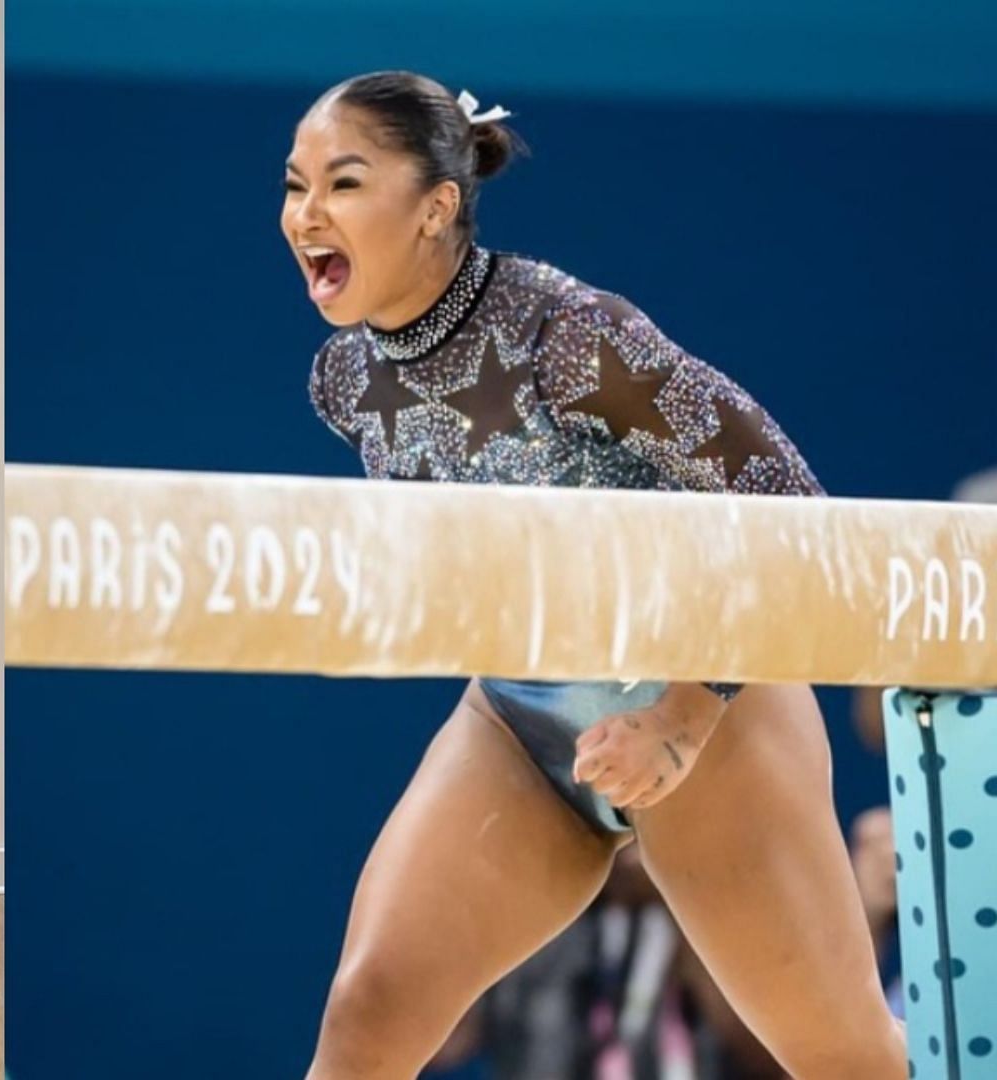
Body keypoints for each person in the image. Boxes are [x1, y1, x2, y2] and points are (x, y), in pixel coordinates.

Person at [284, 71, 903, 1076]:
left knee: (841, 1058)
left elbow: (789, 502)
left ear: (437, 205)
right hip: (525, 725)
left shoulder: (569, 336)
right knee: (370, 1013)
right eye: (294, 184)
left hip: (705, 708)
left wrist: (686, 716)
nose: (307, 214)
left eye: (343, 184)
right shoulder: (346, 379)